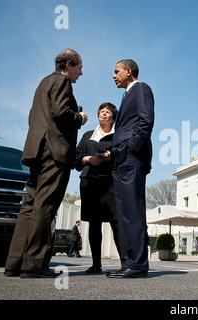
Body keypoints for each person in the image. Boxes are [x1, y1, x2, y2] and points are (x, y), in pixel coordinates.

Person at [4, 49, 88, 278]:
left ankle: (15, 263)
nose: (81, 72)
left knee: (29, 205)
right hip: (55, 151)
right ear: (68, 64)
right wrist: (79, 118)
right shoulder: (62, 81)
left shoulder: (43, 83)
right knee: (45, 204)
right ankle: (34, 263)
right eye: (79, 67)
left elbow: (35, 116)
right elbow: (61, 113)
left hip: (36, 151)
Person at [107, 59, 154, 278]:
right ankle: (128, 262)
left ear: (128, 71)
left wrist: (131, 148)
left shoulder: (141, 88)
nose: (114, 76)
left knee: (133, 211)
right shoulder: (126, 95)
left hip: (131, 158)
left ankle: (136, 263)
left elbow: (146, 121)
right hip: (120, 159)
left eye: (117, 72)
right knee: (124, 212)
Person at [75, 102, 121, 273]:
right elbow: (76, 158)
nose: (104, 114)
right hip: (90, 182)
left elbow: (125, 158)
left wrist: (112, 156)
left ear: (113, 118)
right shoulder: (88, 135)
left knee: (115, 223)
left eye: (108, 112)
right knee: (94, 224)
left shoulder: (118, 136)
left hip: (110, 182)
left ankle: (125, 263)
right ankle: (96, 264)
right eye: (102, 111)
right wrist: (88, 159)